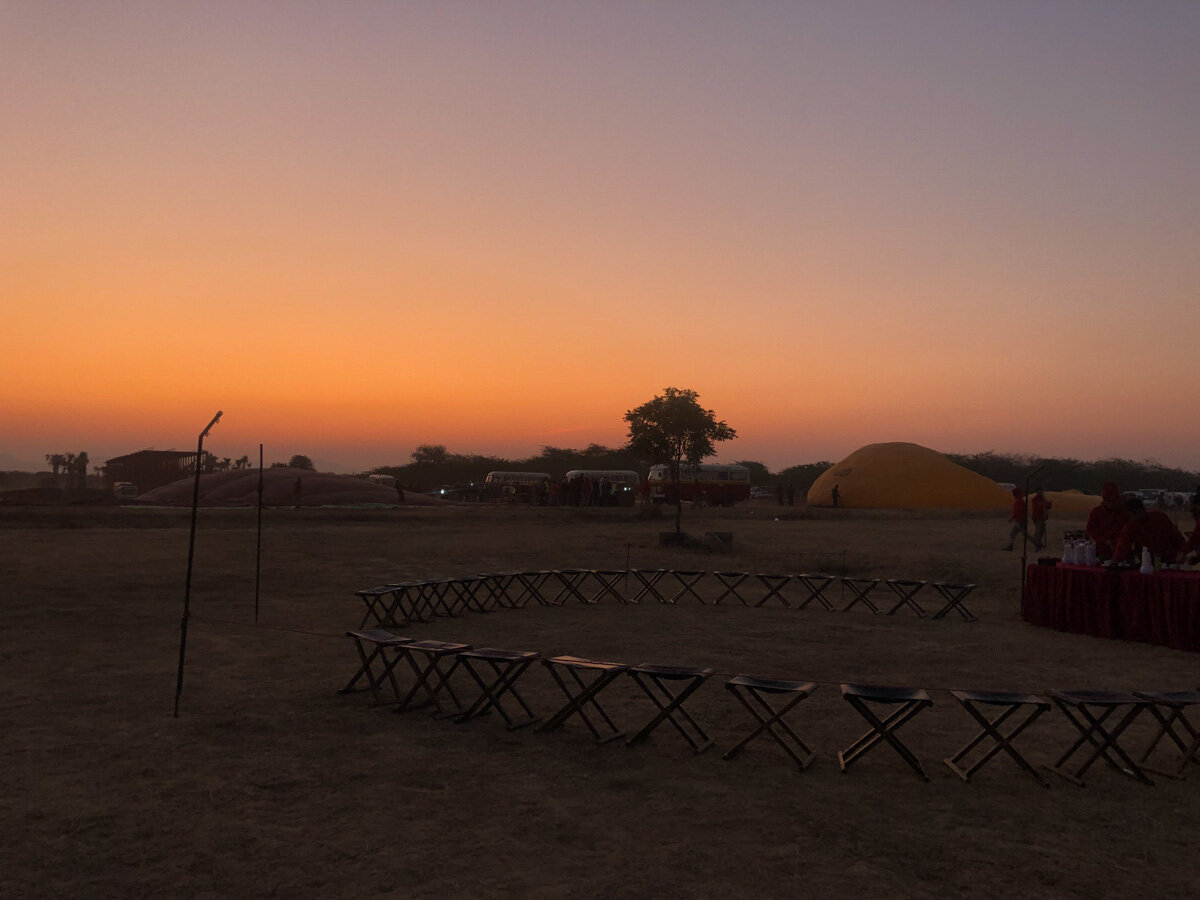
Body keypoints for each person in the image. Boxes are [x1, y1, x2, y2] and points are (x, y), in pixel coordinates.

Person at [1110, 496, 1184, 565]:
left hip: (1169, 559)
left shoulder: (1159, 517)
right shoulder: (1130, 527)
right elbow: (1122, 546)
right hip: (1148, 562)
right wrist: (1115, 560)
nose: (1137, 517)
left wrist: (1183, 552)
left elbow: (1176, 536)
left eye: (1137, 513)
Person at [1086, 482, 1130, 561]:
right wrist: (1103, 540)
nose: (1112, 504)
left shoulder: (1124, 511)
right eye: (1109, 501)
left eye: (1114, 501)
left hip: (1123, 550)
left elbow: (1129, 528)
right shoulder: (1097, 512)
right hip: (1103, 550)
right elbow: (1091, 530)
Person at [1030, 486, 1052, 551]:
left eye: (1041, 491)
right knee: (1038, 531)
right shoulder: (1035, 499)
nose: (1041, 492)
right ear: (1037, 492)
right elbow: (1037, 507)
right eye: (1039, 491)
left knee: (1041, 531)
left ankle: (1039, 543)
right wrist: (1043, 505)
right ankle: (1037, 544)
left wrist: (1048, 504)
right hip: (1037, 517)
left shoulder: (1043, 499)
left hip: (1042, 517)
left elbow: (1048, 506)